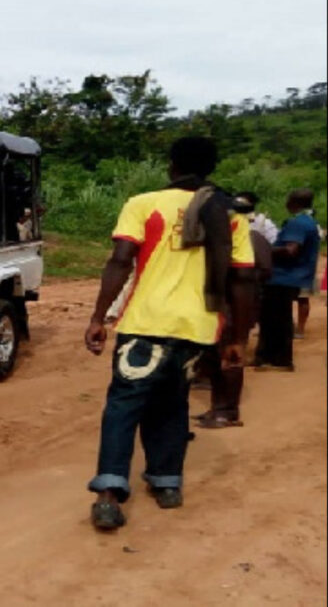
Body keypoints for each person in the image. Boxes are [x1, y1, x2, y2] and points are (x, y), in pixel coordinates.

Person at [83, 136, 255, 530]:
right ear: (210, 168)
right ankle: (167, 483)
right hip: (197, 329)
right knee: (172, 402)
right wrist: (236, 340)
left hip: (146, 324)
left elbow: (121, 260)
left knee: (124, 405)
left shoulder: (143, 204)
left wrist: (98, 317)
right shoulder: (230, 213)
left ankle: (109, 493)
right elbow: (243, 280)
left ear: (172, 165)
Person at [193, 192, 274, 429]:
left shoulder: (253, 239)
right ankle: (217, 406)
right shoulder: (234, 239)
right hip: (221, 303)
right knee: (214, 358)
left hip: (235, 304)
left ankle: (227, 410)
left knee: (230, 356)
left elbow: (261, 272)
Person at [255, 189, 321, 370]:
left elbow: (291, 249)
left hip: (283, 277)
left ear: (292, 201)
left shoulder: (297, 223)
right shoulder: (308, 221)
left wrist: (263, 250)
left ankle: (277, 360)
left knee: (274, 320)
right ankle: (272, 358)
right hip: (291, 277)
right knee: (279, 319)